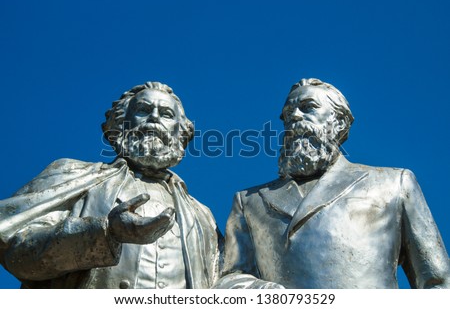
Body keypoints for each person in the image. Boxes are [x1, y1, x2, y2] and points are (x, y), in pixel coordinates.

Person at [215, 78, 450, 289]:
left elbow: (439, 283)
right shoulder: (249, 200)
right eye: (287, 114)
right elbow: (231, 278)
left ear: (338, 123)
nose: (294, 117)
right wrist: (263, 293)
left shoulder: (393, 183)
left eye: (307, 108)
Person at [0, 82, 221, 289]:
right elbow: (16, 250)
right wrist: (105, 233)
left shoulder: (203, 216)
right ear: (120, 124)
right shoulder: (72, 175)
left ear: (181, 132)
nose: (154, 118)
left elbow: (224, 281)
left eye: (166, 114)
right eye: (143, 110)